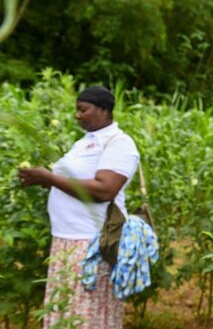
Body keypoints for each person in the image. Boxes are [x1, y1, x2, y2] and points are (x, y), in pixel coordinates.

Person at [18, 86, 140, 328]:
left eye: (83, 110)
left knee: (86, 314)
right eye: (76, 110)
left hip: (91, 243)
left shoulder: (119, 144)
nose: (77, 115)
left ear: (104, 110)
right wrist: (43, 180)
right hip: (67, 240)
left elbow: (105, 190)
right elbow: (73, 184)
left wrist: (51, 178)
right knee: (67, 312)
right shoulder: (84, 143)